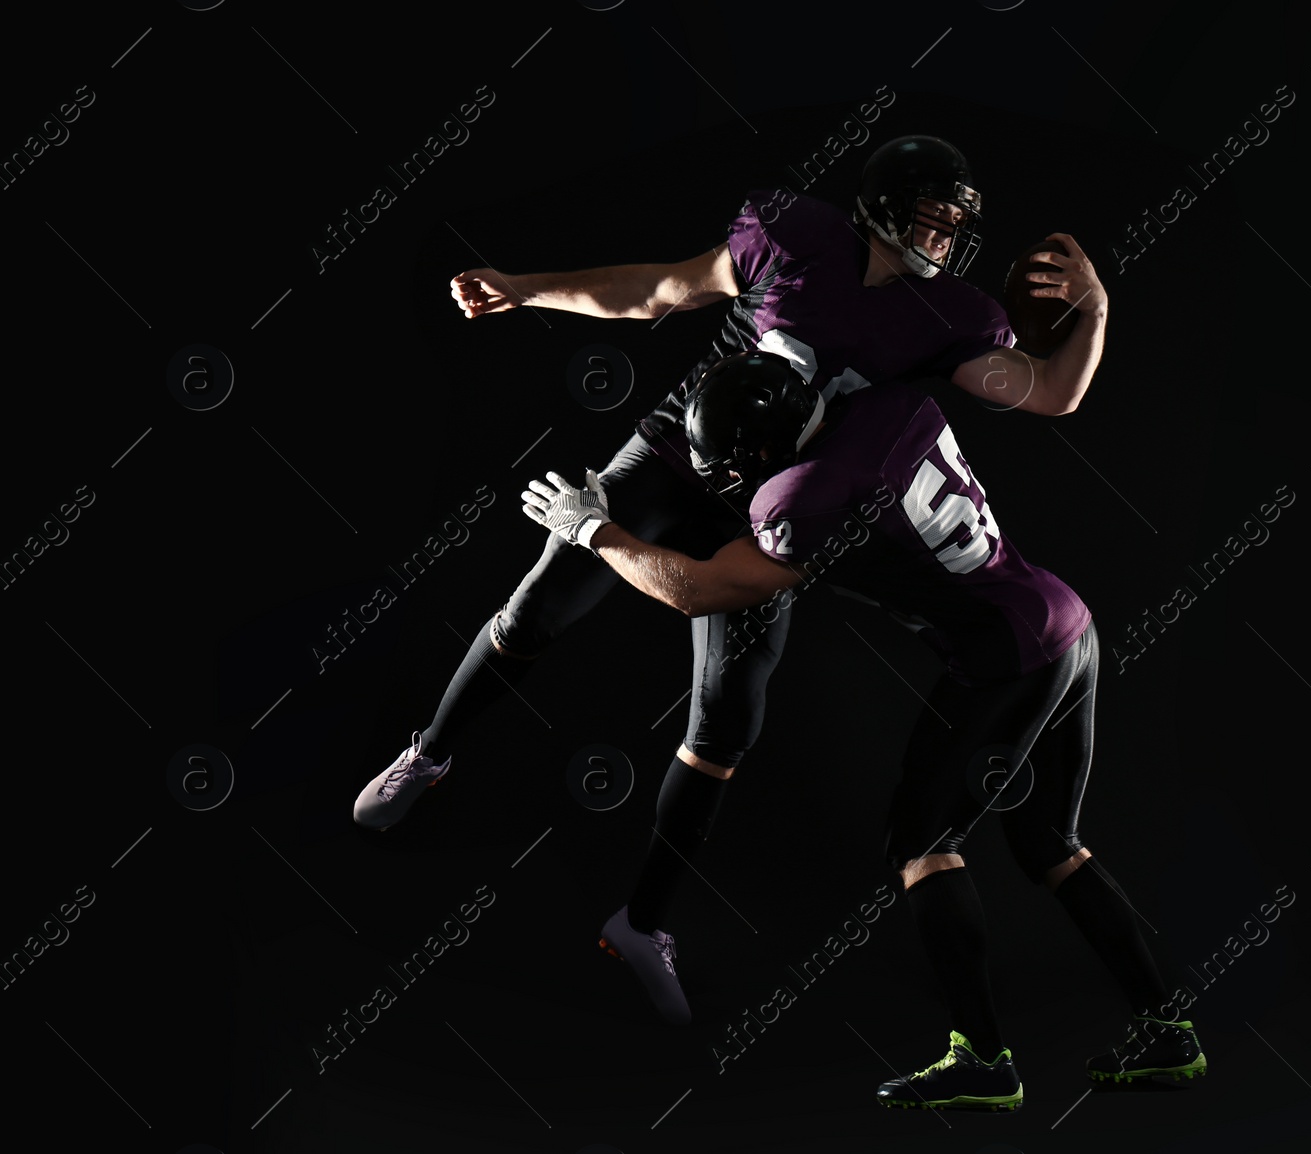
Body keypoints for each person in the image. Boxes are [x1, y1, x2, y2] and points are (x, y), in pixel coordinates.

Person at [353, 135, 1111, 1028]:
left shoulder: (949, 314)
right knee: (545, 598)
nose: (945, 240)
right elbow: (659, 292)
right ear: (880, 207)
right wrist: (526, 287)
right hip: (677, 453)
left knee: (727, 719)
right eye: (933, 219)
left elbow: (1051, 392)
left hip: (775, 500)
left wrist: (1093, 309)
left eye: (955, 226)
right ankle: (431, 749)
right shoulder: (788, 236)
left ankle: (641, 925)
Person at [521, 351, 1205, 1109]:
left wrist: (592, 530)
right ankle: (1167, 1033)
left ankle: (982, 1058)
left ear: (762, 451)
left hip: (1007, 656)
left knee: (920, 847)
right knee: (1049, 843)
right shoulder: (890, 406)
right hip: (1064, 619)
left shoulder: (799, 494)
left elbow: (698, 591)